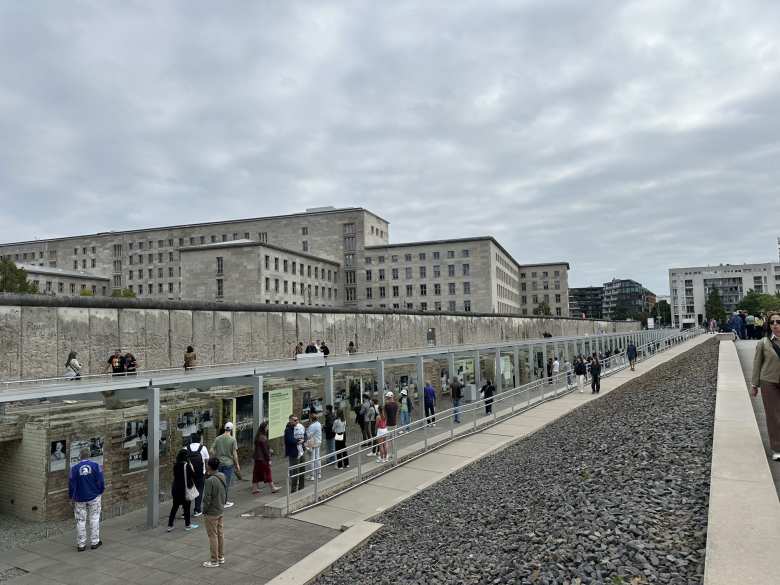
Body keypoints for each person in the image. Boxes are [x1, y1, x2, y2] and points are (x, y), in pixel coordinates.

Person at [751, 312, 780, 461]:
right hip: (769, 382)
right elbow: (757, 364)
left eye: (778, 321)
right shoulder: (763, 343)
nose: (775, 324)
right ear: (768, 325)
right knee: (773, 416)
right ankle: (777, 448)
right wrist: (754, 384)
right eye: (772, 322)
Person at [69, 447, 105, 551]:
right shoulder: (96, 466)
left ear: (80, 456)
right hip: (94, 496)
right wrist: (100, 491)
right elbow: (101, 480)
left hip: (79, 498)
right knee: (94, 518)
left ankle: (81, 545)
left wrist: (71, 497)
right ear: (89, 455)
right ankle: (95, 542)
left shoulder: (74, 469)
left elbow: (71, 484)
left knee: (80, 521)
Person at [201, 457, 227, 568]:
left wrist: (204, 510)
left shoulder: (210, 481)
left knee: (212, 536)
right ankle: (221, 557)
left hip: (211, 512)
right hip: (220, 509)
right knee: (220, 534)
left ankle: (214, 560)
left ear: (209, 466)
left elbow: (207, 498)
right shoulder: (222, 476)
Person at [167, 448, 199, 532]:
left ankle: (170, 525)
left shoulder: (175, 465)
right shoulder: (187, 466)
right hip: (185, 490)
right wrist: (191, 466)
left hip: (176, 489)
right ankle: (188, 525)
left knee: (174, 507)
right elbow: (194, 476)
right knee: (187, 508)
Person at [212, 422, 239, 508]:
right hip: (228, 464)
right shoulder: (232, 440)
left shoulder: (218, 438)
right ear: (231, 429)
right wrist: (237, 464)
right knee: (225, 484)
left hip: (219, 464)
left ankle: (217, 500)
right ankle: (224, 502)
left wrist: (217, 455)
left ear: (224, 428)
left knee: (219, 482)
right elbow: (234, 454)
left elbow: (211, 450)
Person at [252, 422, 280, 494]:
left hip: (257, 458)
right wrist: (269, 459)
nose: (268, 428)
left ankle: (255, 488)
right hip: (262, 458)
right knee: (268, 472)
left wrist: (269, 449)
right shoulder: (263, 437)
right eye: (267, 427)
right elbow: (265, 450)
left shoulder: (258, 436)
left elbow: (261, 447)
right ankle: (272, 488)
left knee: (256, 473)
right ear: (264, 428)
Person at [188, 433, 209, 517]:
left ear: (191, 439)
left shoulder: (186, 448)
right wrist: (207, 471)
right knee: (199, 490)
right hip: (201, 473)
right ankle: (197, 510)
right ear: (200, 440)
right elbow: (207, 460)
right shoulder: (203, 448)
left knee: (189, 491)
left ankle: (185, 511)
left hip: (189, 474)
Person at [284, 415, 305, 492]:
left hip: (301, 451)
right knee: (295, 472)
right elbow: (290, 440)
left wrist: (304, 440)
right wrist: (298, 441)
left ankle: (301, 487)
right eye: (295, 420)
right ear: (290, 421)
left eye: (297, 420)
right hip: (294, 453)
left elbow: (305, 435)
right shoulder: (288, 430)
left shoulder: (300, 427)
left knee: (302, 470)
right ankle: (293, 490)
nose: (297, 421)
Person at [306, 413, 323, 480]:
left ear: (311, 419)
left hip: (313, 443)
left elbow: (308, 435)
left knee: (312, 459)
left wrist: (307, 429)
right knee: (317, 457)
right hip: (318, 442)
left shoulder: (312, 426)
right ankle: (319, 474)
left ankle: (312, 475)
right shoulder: (319, 424)